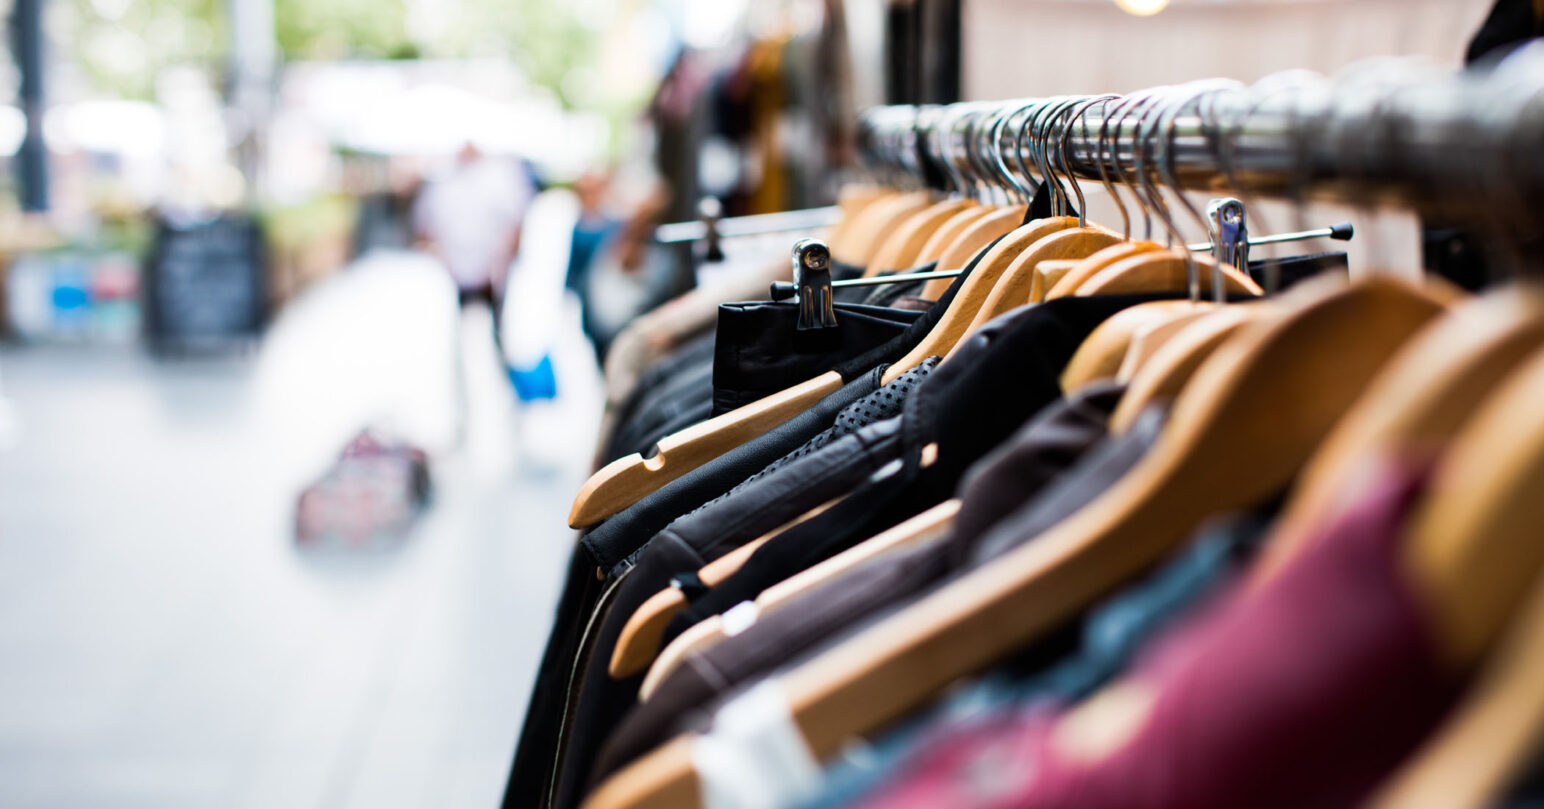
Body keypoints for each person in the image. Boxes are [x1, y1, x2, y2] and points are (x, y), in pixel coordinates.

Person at [412, 142, 537, 442]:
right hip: (457, 275)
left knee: (500, 343)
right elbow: (425, 227)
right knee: (458, 347)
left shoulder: (497, 180)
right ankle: (463, 411)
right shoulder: (443, 185)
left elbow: (516, 224)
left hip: (492, 275)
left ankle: (511, 406)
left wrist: (500, 264)